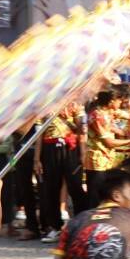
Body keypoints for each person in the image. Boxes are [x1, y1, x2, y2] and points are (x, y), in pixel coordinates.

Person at [38, 103, 88, 243]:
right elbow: (39, 133)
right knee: (51, 188)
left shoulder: (76, 104)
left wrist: (83, 152)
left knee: (75, 186)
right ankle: (55, 227)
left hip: (71, 147)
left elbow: (82, 130)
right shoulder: (45, 104)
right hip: (50, 148)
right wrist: (37, 158)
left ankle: (81, 226)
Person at [84, 89, 130, 208]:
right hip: (97, 162)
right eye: (119, 100)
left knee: (107, 195)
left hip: (108, 161)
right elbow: (109, 143)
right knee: (96, 198)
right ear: (111, 101)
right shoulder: (96, 115)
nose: (121, 103)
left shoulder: (110, 111)